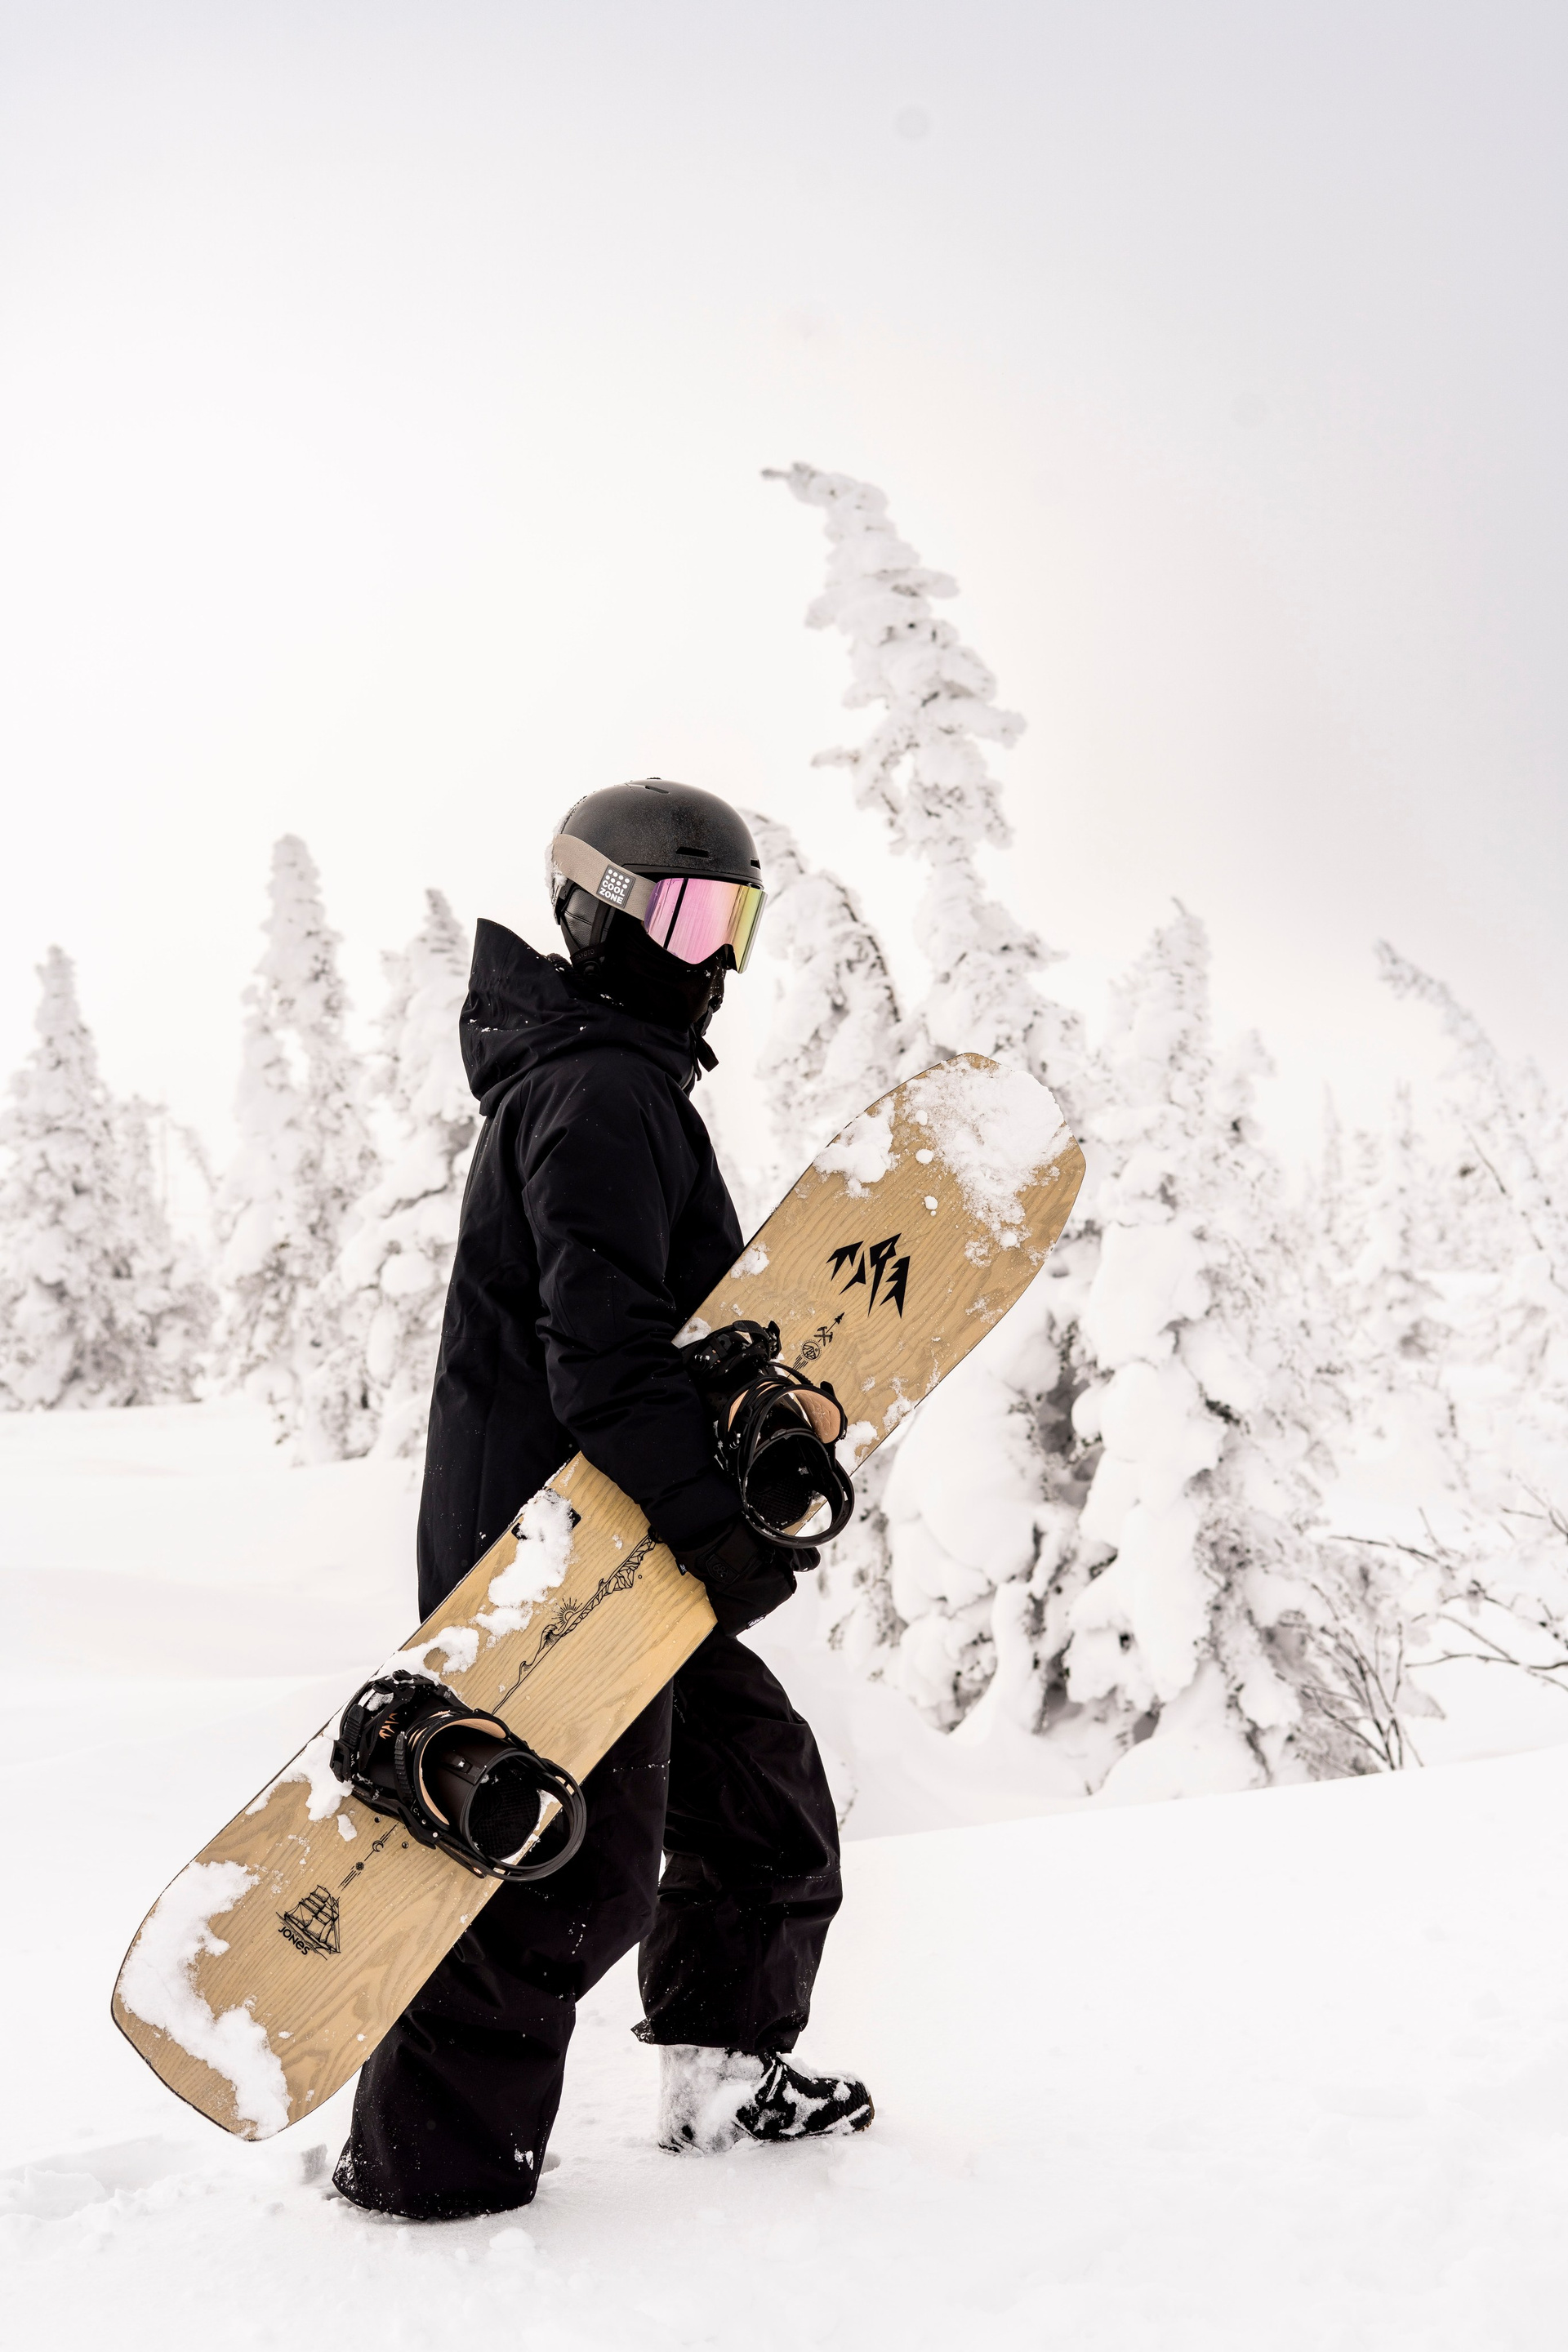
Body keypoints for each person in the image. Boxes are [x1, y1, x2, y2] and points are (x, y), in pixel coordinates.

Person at [333, 779, 872, 2221]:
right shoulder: (602, 1093)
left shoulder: (611, 1082)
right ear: (596, 913)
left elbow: (647, 1349)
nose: (713, 958)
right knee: (569, 1876)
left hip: (619, 1536)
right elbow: (608, 1360)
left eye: (733, 922)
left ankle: (724, 2082)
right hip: (559, 1555)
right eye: (686, 917)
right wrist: (721, 1534)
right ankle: (426, 2185)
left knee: (760, 1801)